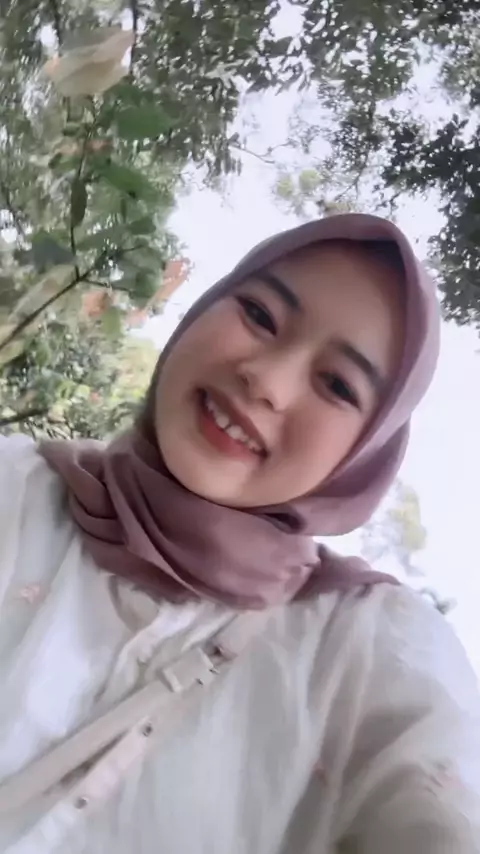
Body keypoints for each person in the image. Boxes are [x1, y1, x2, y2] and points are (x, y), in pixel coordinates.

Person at [0, 212, 479, 854]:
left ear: (367, 451)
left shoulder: (365, 654)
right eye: (259, 315)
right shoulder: (18, 489)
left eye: (337, 385)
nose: (268, 382)